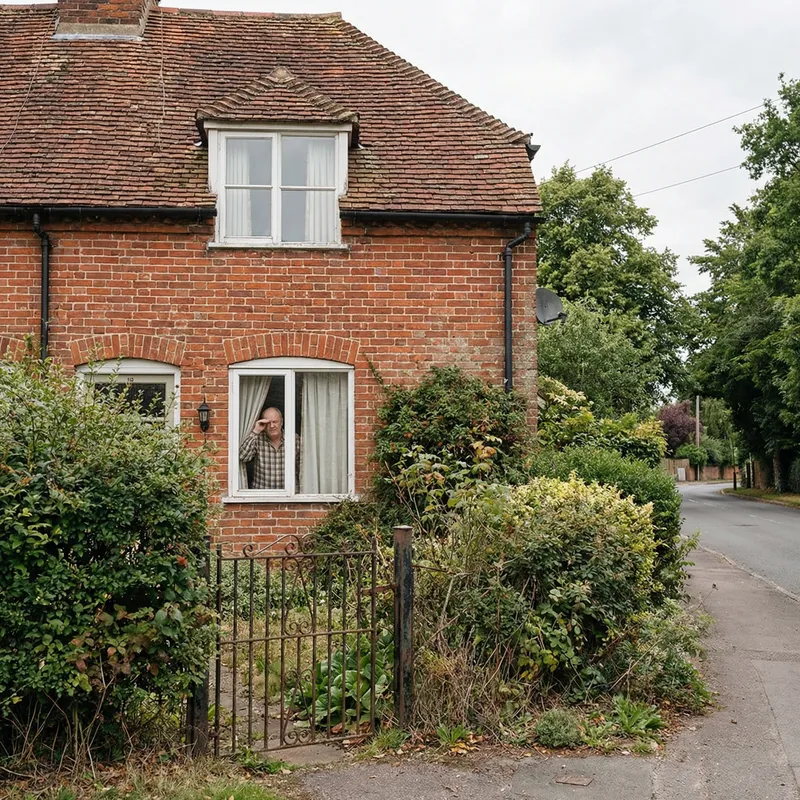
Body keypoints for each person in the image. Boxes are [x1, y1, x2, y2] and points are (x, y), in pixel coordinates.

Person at [238, 407, 300, 490]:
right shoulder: (257, 438)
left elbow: (303, 467)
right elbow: (243, 457)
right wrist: (255, 431)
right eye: (268, 423)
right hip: (262, 494)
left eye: (275, 422)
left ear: (281, 422)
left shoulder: (294, 439)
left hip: (289, 495)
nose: (272, 426)